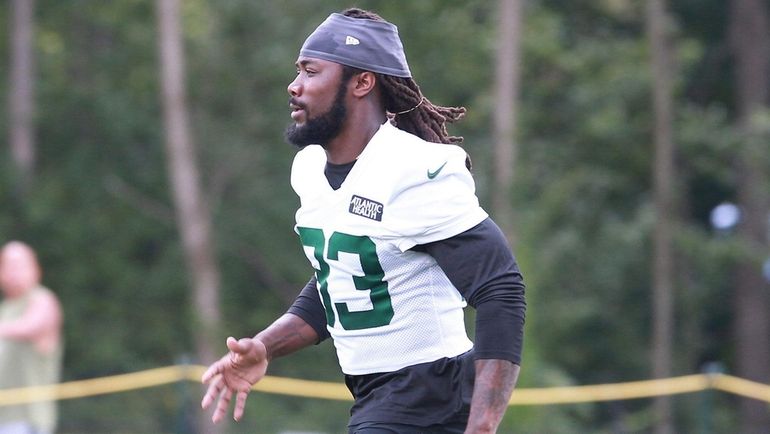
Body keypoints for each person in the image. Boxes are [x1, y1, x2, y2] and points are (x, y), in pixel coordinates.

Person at [202, 8, 526, 433]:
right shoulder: (309, 170)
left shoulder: (412, 170)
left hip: (432, 392)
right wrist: (264, 346)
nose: (294, 85)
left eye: (311, 71)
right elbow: (339, 279)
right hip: (380, 396)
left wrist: (482, 425)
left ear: (362, 82)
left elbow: (501, 288)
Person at [0, 241, 63, 434]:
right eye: (8, 265)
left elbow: (31, 326)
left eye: (20, 265)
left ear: (36, 269)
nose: (14, 272)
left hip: (28, 421)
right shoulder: (5, 309)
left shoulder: (42, 299)